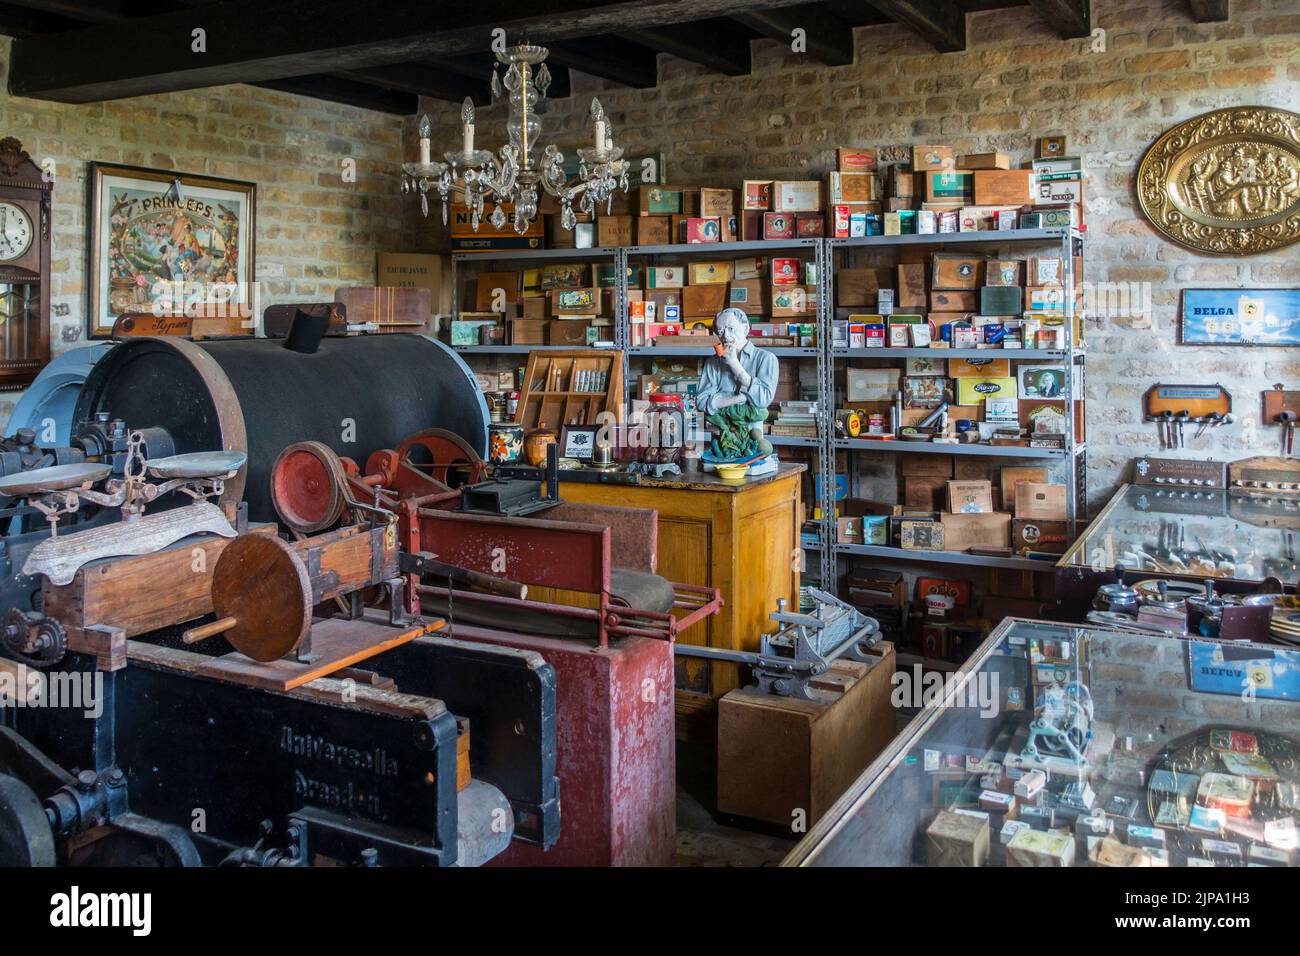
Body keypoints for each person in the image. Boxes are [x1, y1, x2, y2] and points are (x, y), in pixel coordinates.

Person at [695, 308, 778, 460]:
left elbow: (763, 399)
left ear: (746, 328)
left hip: (753, 435)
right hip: (722, 434)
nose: (726, 336)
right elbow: (701, 402)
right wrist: (739, 399)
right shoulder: (713, 363)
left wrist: (734, 364)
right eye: (720, 331)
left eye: (731, 329)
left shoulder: (766, 358)